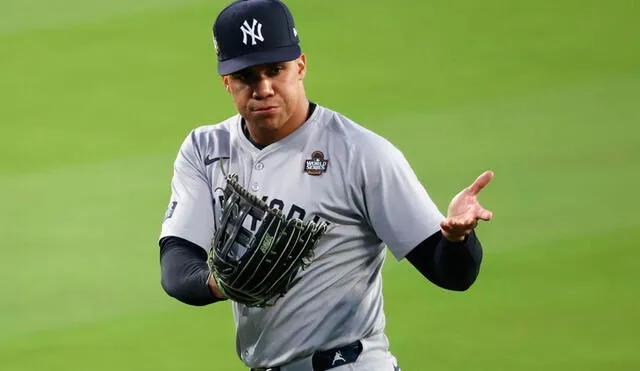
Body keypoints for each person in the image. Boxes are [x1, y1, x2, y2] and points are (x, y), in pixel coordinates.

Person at [158, 0, 494, 370]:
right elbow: (176, 265)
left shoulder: (361, 154)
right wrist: (221, 285)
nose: (263, 88)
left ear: (300, 66)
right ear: (227, 82)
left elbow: (450, 273)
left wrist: (457, 238)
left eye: (275, 70)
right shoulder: (205, 149)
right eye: (247, 76)